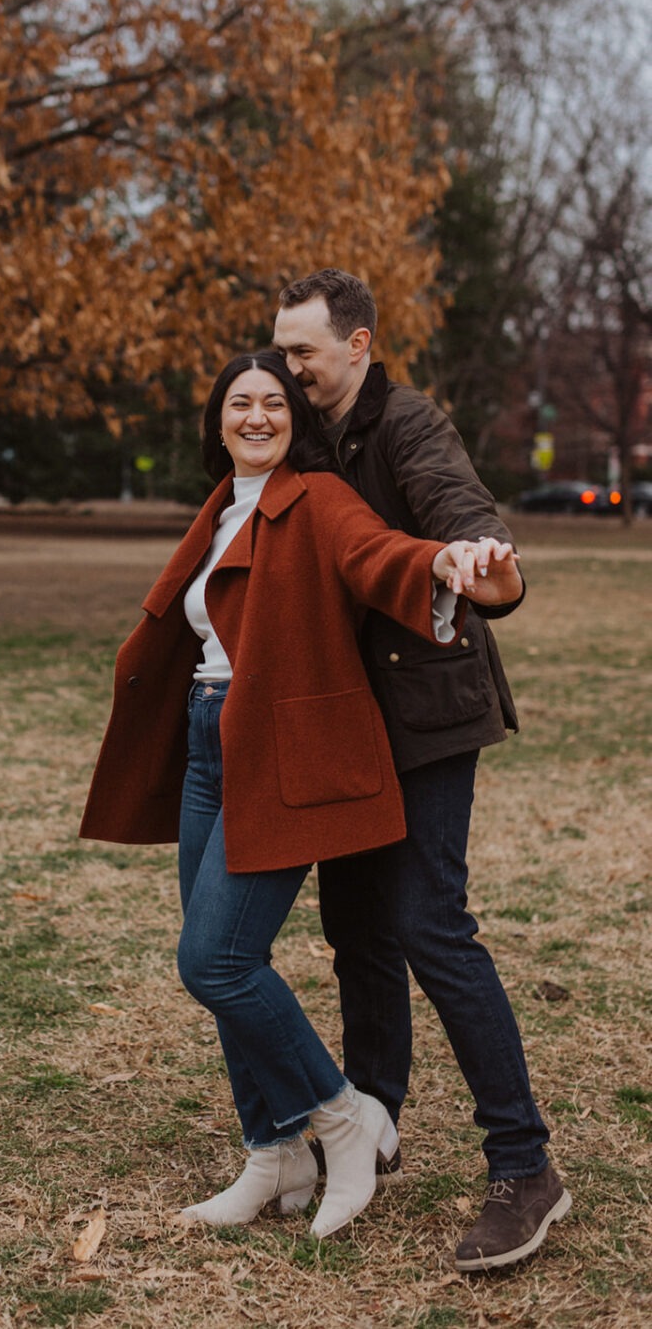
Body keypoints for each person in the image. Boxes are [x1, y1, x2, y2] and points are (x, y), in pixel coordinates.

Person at [79, 351, 522, 1240]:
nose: (255, 416)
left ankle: (343, 1116)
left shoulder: (317, 497)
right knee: (215, 965)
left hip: (275, 750)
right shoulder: (220, 509)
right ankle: (273, 1149)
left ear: (295, 421)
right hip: (209, 743)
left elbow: (380, 556)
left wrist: (453, 566)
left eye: (272, 403)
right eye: (238, 402)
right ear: (216, 421)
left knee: (216, 961)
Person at [272, 268, 571, 1271]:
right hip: (349, 718)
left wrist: (481, 564)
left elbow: (458, 508)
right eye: (282, 348)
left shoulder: (407, 422)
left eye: (304, 349)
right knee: (355, 922)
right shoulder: (306, 431)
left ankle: (524, 1165)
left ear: (358, 344)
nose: (290, 365)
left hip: (431, 712)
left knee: (428, 920)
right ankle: (375, 1118)